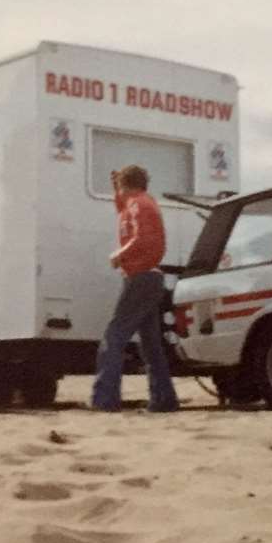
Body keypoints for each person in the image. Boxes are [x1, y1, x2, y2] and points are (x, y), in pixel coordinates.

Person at [91, 165, 179, 413]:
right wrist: (115, 188)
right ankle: (163, 399)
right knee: (150, 343)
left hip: (140, 277)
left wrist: (120, 254)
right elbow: (122, 210)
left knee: (115, 334)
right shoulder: (137, 203)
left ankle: (104, 399)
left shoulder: (140, 205)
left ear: (125, 184)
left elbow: (145, 238)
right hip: (149, 278)